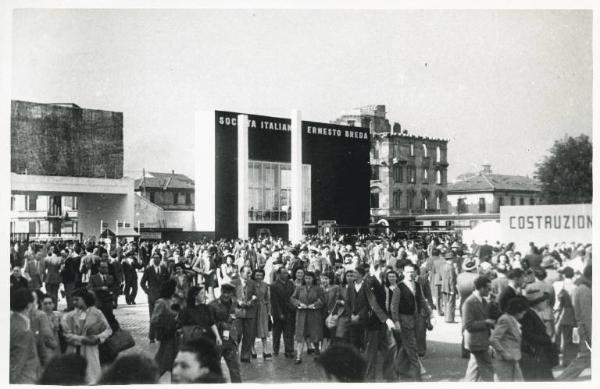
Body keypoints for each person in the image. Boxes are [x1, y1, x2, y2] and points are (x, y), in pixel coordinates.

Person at [61, 289, 113, 384]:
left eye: (77, 300)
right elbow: (66, 333)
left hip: (91, 351)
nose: (74, 302)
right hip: (74, 349)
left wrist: (97, 338)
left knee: (92, 378)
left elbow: (108, 330)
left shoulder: (97, 313)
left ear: (85, 299)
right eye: (73, 300)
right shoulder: (69, 315)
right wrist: (82, 339)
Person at [390, 262, 430, 381]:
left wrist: (429, 313)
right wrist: (396, 321)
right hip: (404, 319)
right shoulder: (399, 287)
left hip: (415, 318)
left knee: (404, 346)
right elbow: (394, 306)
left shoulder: (417, 285)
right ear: (403, 273)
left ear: (415, 273)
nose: (410, 274)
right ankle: (418, 373)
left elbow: (422, 300)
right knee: (411, 346)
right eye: (407, 272)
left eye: (412, 272)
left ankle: (395, 370)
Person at [558, 264, 592, 380]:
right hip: (586, 328)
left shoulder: (581, 288)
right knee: (585, 357)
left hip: (583, 326)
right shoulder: (584, 290)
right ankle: (562, 379)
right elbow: (587, 315)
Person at [462, 276, 495, 382]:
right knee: (487, 369)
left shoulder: (483, 301)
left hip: (481, 340)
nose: (489, 291)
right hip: (475, 341)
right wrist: (486, 323)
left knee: (474, 369)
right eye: (488, 288)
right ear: (481, 288)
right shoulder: (469, 302)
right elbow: (468, 325)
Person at [519, 288, 557, 381]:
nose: (546, 303)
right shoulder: (529, 314)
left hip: (538, 353)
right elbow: (527, 335)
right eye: (544, 301)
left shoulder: (534, 313)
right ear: (538, 303)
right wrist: (546, 340)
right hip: (534, 354)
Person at [489, 297, 529, 381]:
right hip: (504, 360)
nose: (524, 314)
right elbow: (493, 339)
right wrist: (504, 353)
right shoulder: (505, 319)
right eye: (522, 312)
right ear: (517, 311)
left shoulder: (511, 319)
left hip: (513, 359)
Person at [209, 282, 242, 382]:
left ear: (232, 293)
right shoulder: (212, 305)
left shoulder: (235, 303)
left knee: (235, 369)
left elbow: (238, 318)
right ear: (221, 291)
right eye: (224, 292)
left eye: (229, 293)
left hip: (231, 340)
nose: (226, 295)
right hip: (217, 340)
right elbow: (208, 322)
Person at [290, 271, 325, 364]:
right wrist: (299, 304)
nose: (308, 280)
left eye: (309, 278)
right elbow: (292, 298)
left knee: (315, 334)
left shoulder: (318, 289)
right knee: (300, 335)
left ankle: (317, 352)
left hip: (314, 314)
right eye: (306, 278)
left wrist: (314, 305)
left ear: (313, 279)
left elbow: (322, 300)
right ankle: (298, 357)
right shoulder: (299, 288)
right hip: (301, 314)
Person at [10, 288, 41, 384]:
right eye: (35, 303)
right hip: (23, 380)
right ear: (29, 305)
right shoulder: (24, 330)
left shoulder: (12, 321)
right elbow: (17, 364)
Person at [150, 279, 179, 379]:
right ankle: (149, 380)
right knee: (162, 362)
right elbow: (154, 319)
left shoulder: (174, 300)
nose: (177, 289)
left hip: (175, 337)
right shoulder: (161, 302)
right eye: (175, 287)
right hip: (167, 337)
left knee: (172, 363)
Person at [233, 265, 259, 363]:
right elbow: (230, 296)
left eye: (250, 272)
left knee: (248, 335)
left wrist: (252, 301)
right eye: (247, 272)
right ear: (241, 273)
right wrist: (237, 301)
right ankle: (234, 353)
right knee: (238, 334)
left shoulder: (253, 283)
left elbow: (256, 295)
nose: (249, 274)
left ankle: (245, 355)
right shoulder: (234, 283)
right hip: (238, 313)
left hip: (250, 312)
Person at [141, 253, 169, 343]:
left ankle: (160, 335)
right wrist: (148, 291)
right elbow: (142, 282)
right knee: (153, 316)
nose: (155, 260)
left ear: (160, 259)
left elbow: (168, 281)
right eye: (154, 258)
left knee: (162, 316)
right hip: (152, 296)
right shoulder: (148, 269)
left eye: (157, 258)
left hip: (162, 296)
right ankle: (151, 337)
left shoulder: (164, 269)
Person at [270, 267, 296, 358]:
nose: (286, 275)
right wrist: (279, 313)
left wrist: (293, 308)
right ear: (279, 274)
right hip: (278, 311)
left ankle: (289, 350)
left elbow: (293, 296)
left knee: (289, 332)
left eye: (286, 273)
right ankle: (275, 349)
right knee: (277, 332)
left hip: (289, 310)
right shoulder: (274, 285)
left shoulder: (290, 284)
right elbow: (274, 301)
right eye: (284, 273)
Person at [88, 261, 120, 331]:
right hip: (99, 301)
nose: (106, 269)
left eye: (107, 267)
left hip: (108, 301)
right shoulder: (93, 277)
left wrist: (114, 297)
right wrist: (100, 288)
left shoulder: (110, 277)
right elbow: (90, 288)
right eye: (103, 267)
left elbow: (115, 288)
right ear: (99, 268)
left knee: (109, 318)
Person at [31, 290, 59, 367]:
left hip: (56, 346)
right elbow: (45, 335)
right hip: (46, 347)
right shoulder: (40, 316)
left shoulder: (57, 316)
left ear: (53, 304)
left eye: (50, 303)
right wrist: (54, 344)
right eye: (45, 303)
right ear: (41, 303)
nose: (47, 306)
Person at [251, 268, 272, 359]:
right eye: (257, 275)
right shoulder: (251, 284)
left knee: (264, 329)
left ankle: (265, 350)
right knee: (252, 329)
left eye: (260, 275)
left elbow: (268, 299)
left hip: (262, 308)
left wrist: (269, 311)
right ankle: (252, 349)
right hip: (253, 308)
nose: (259, 277)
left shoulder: (265, 285)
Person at [320, 272, 341, 350]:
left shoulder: (335, 287)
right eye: (323, 278)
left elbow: (337, 300)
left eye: (326, 278)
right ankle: (323, 350)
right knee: (324, 333)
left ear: (331, 279)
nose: (324, 280)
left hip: (332, 313)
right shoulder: (320, 288)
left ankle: (330, 350)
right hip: (322, 313)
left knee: (332, 333)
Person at [440, 252, 457, 323]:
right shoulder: (451, 267)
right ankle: (450, 318)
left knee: (446, 302)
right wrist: (453, 289)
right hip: (450, 287)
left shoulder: (442, 266)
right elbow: (452, 279)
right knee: (451, 303)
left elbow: (441, 277)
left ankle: (446, 318)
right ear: (451, 259)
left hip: (444, 286)